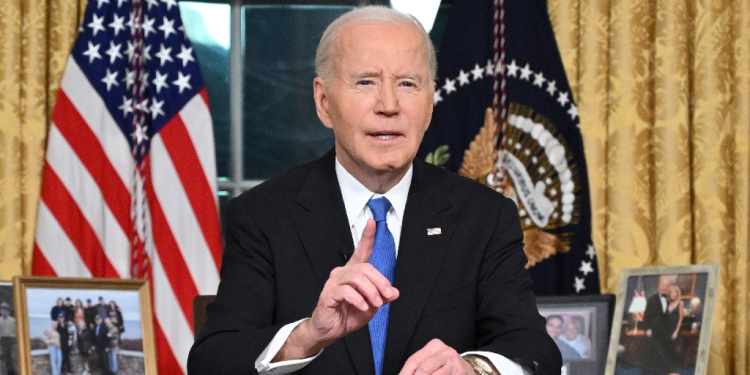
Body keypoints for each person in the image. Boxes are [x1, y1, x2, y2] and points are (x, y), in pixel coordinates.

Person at [188, 6, 560, 375]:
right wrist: (307, 335)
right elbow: (212, 360)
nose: (389, 105)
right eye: (365, 81)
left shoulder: (485, 216)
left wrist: (472, 369)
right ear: (324, 102)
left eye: (407, 83)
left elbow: (534, 350)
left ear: (430, 105)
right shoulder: (264, 215)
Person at [641, 277, 673, 375]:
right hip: (653, 332)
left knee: (663, 356)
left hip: (664, 333)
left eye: (667, 286)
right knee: (652, 356)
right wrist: (647, 329)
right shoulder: (651, 299)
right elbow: (646, 316)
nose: (664, 287)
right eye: (663, 285)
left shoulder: (669, 300)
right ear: (659, 286)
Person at [665, 285, 684, 372]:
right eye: (671, 292)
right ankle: (667, 368)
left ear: (677, 293)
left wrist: (676, 331)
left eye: (674, 292)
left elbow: (681, 318)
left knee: (674, 349)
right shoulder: (669, 303)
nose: (673, 294)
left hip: (674, 328)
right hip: (667, 328)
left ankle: (674, 370)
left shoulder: (680, 303)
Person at [0, 301, 17, 375]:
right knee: (4, 358)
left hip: (12, 340)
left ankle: (13, 372)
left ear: (8, 311)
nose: (4, 311)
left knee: (12, 358)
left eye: (5, 310)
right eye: (2, 309)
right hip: (3, 340)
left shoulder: (13, 320)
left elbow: (17, 331)